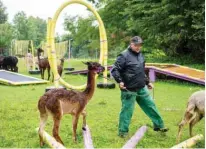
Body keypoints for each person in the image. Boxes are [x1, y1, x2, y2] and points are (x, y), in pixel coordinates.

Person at [111, 36, 168, 138]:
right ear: (131, 44)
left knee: (151, 106)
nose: (138, 47)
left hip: (141, 88)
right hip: (128, 89)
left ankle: (159, 126)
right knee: (127, 111)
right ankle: (123, 132)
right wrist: (120, 81)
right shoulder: (123, 56)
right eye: (136, 45)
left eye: (140, 45)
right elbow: (115, 70)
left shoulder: (141, 55)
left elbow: (141, 71)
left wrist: (147, 82)